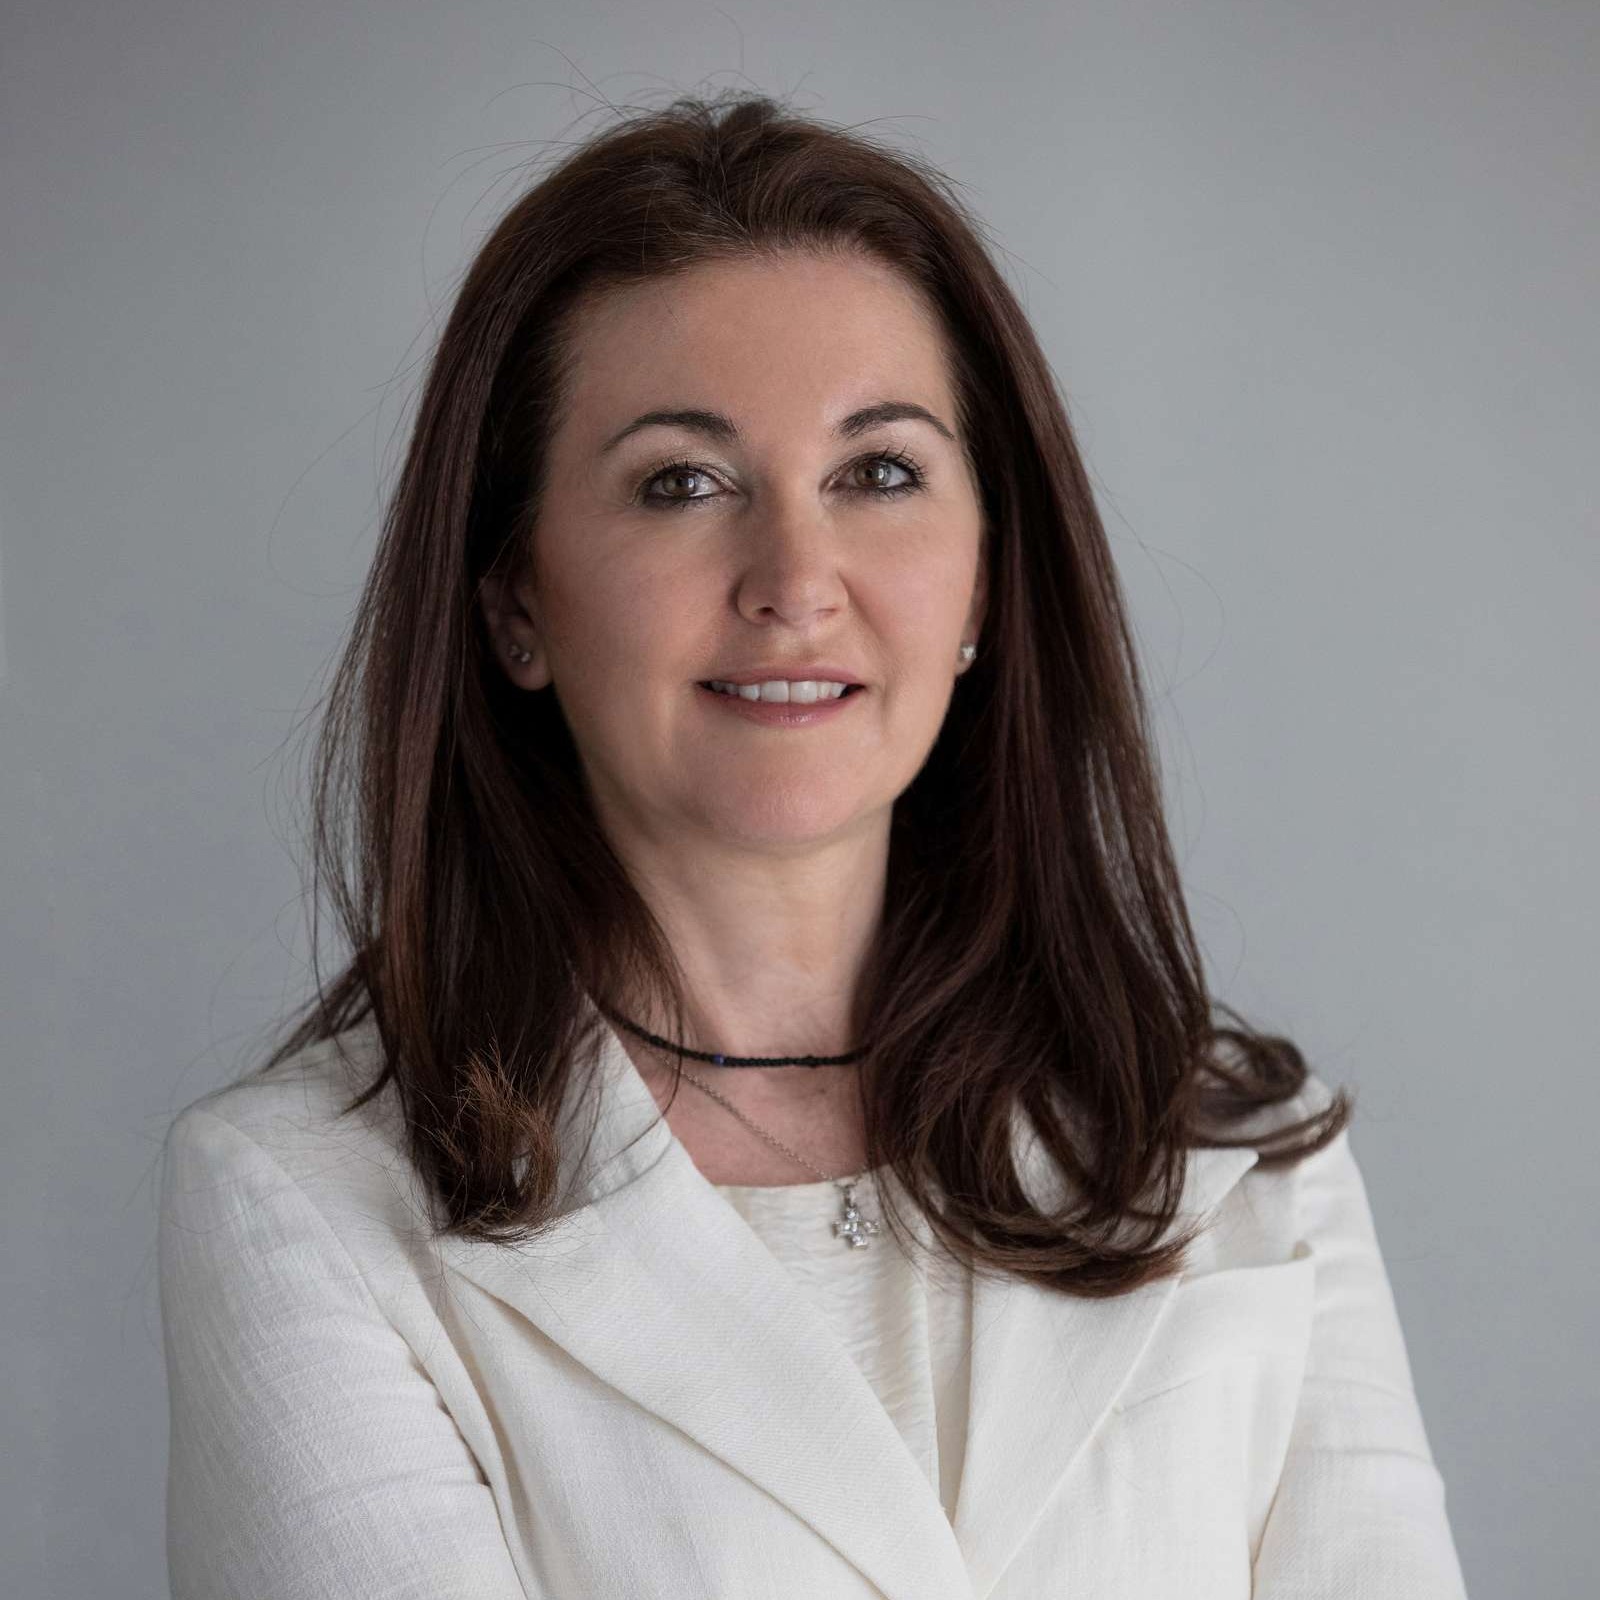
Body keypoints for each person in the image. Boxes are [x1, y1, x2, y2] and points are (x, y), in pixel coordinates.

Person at [157, 92, 1470, 1599]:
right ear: (517, 603)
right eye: (682, 483)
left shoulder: (1247, 1154)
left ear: (985, 581)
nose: (796, 579)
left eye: (880, 472)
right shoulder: (306, 1203)